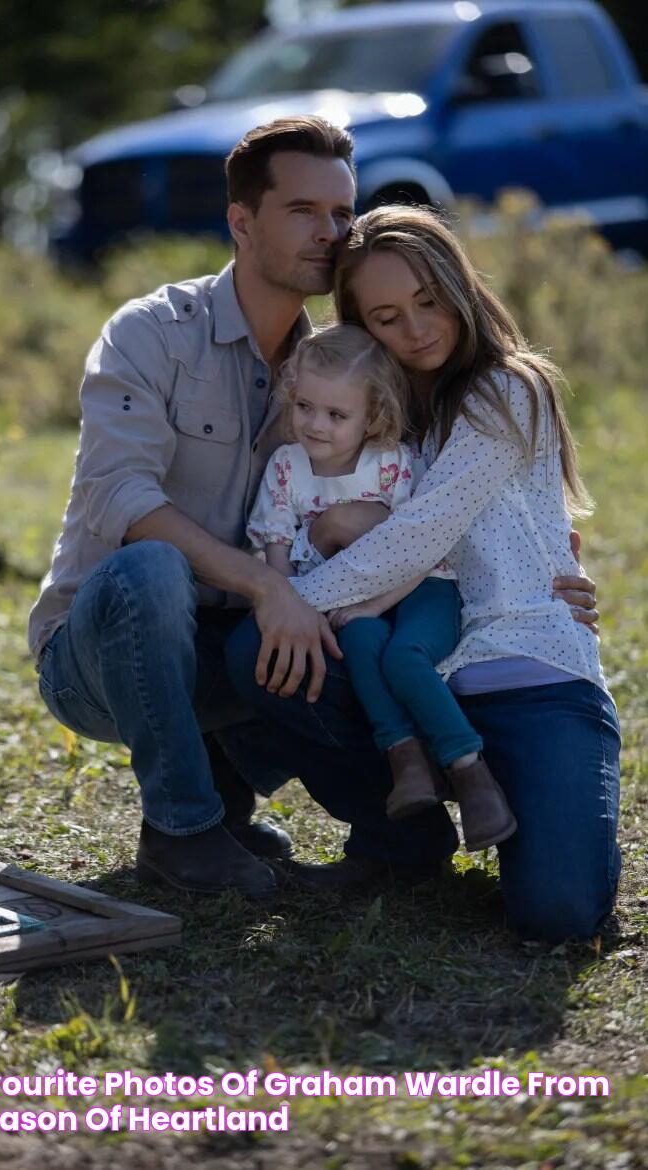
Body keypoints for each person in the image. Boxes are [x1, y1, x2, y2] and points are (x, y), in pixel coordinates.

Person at [27, 114, 596, 909]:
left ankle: (389, 834)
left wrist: (555, 569)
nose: (330, 233)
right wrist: (271, 589)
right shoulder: (151, 332)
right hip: (109, 651)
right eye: (303, 211)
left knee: (345, 641)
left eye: (341, 213)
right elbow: (122, 499)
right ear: (241, 220)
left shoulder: (341, 370)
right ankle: (183, 829)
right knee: (155, 568)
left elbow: (447, 502)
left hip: (240, 644)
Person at [225, 205, 619, 942]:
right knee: (259, 652)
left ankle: (530, 800)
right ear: (362, 330)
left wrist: (287, 599)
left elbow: (421, 532)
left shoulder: (508, 390)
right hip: (417, 667)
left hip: (528, 675)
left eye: (428, 300)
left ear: (458, 286)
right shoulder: (370, 414)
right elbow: (305, 496)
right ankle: (401, 840)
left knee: (558, 917)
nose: (417, 329)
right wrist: (281, 589)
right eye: (386, 316)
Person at [246, 324, 516, 849]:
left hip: (422, 588)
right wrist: (288, 608)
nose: (315, 425)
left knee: (404, 656)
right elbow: (276, 552)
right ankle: (406, 762)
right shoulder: (286, 469)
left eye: (336, 415)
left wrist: (375, 600)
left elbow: (420, 545)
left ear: (372, 416)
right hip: (348, 602)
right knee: (365, 643)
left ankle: (470, 773)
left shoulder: (391, 464)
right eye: (304, 406)